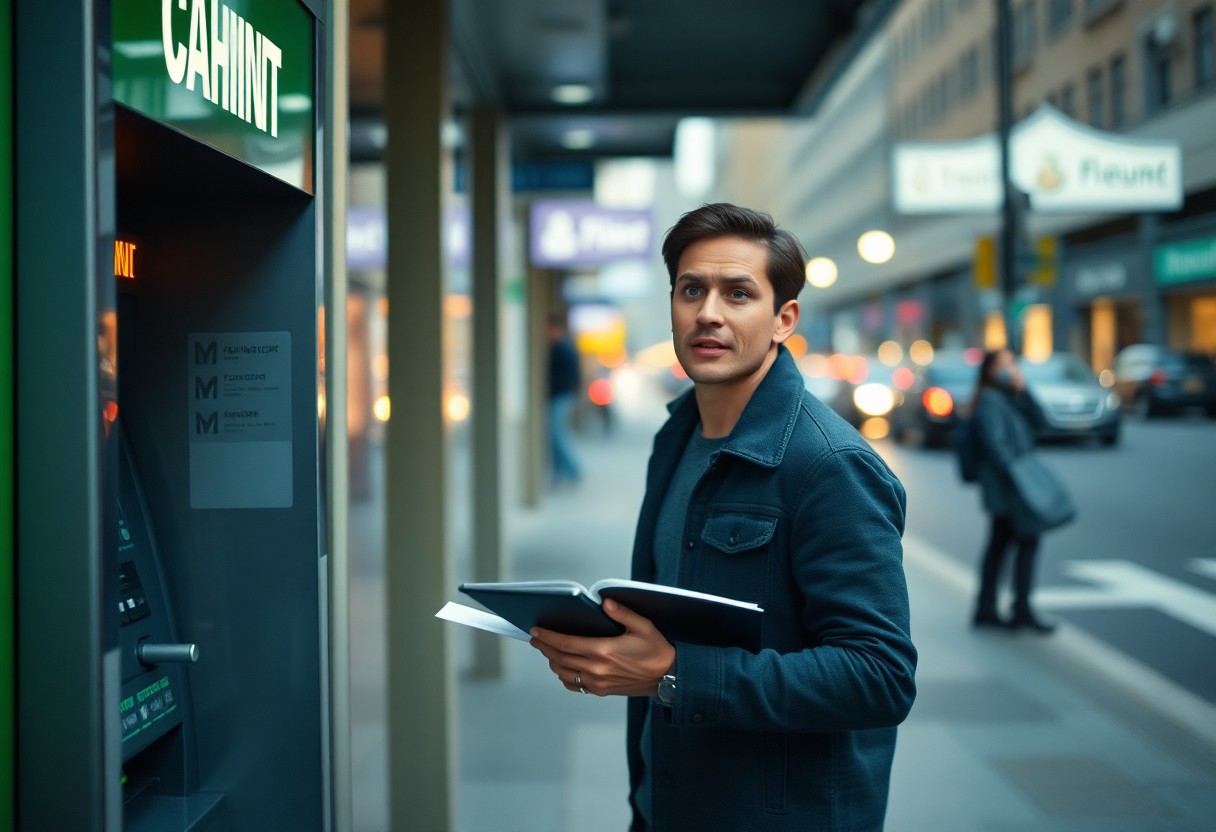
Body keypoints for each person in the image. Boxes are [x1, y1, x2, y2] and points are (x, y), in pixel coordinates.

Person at [529, 203, 916, 831]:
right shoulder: (677, 437)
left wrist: (676, 670)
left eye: (738, 293)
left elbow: (879, 676)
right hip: (668, 802)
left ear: (783, 318)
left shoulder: (829, 464)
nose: (708, 312)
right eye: (691, 290)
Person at [970, 347, 1056, 633]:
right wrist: (1020, 477)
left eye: (1012, 363)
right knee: (1022, 541)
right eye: (1003, 364)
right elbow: (996, 447)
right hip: (1007, 486)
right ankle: (1017, 610)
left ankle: (990, 609)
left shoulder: (1011, 397)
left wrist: (1025, 391)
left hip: (1012, 483)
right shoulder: (990, 400)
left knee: (1003, 543)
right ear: (990, 370)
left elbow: (1042, 422)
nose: (1010, 368)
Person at [547, 312, 582, 486]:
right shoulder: (559, 347)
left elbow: (570, 376)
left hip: (560, 397)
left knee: (557, 436)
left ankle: (573, 470)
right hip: (560, 397)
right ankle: (559, 473)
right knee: (555, 436)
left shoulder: (562, 349)